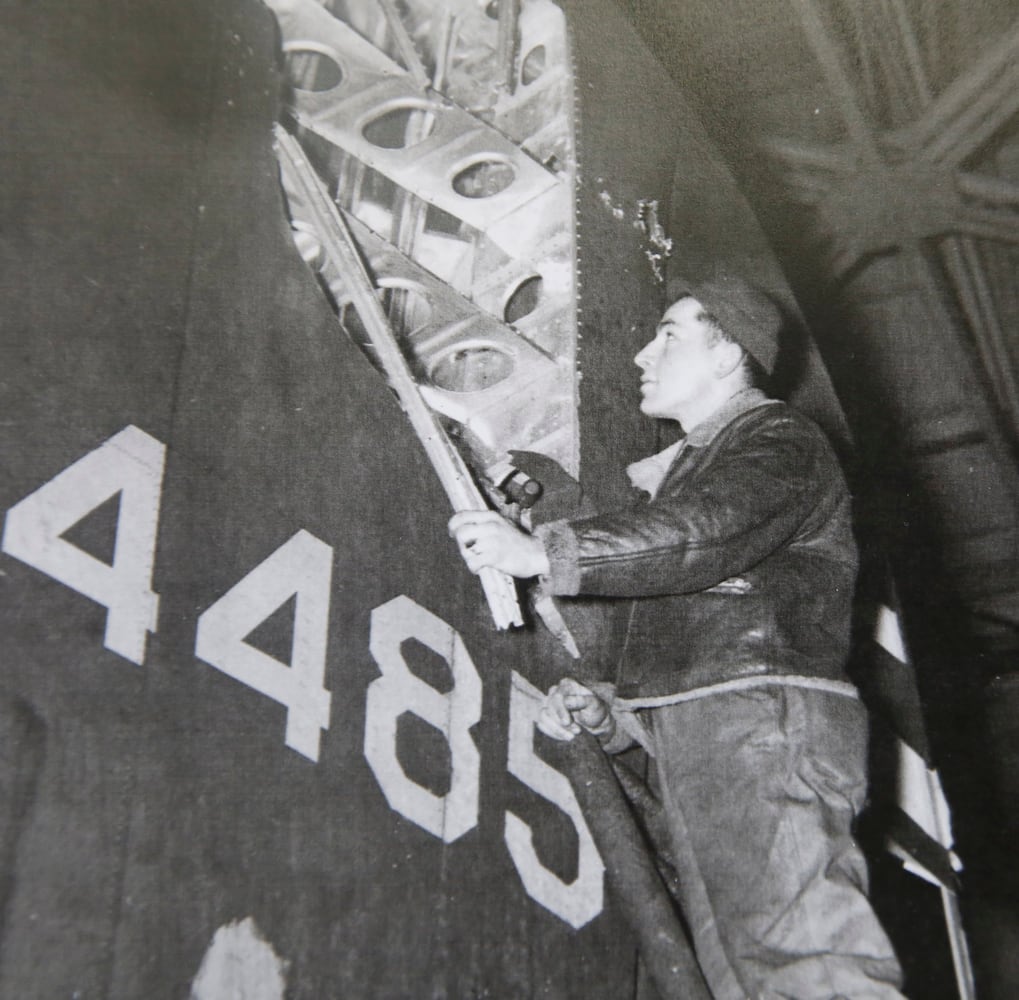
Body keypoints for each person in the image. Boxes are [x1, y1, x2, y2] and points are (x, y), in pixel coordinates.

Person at [449, 273, 905, 999]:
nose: (640, 353)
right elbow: (695, 623)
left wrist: (546, 553)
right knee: (752, 979)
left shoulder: (778, 438)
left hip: (761, 719)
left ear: (729, 357)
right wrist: (617, 715)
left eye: (668, 334)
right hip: (724, 726)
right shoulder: (689, 473)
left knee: (806, 967)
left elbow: (707, 533)